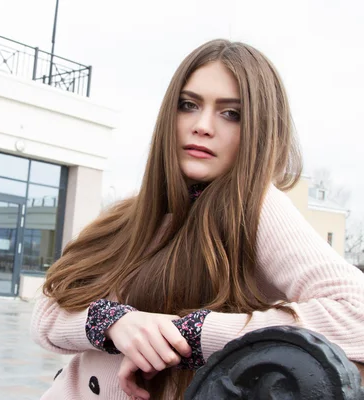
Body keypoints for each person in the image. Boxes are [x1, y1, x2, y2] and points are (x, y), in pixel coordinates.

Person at [30, 39, 364, 400]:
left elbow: (356, 316)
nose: (202, 126)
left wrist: (186, 334)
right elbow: (47, 312)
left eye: (231, 113)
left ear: (260, 129)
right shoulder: (130, 212)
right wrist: (114, 323)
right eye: (188, 105)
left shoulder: (256, 208)